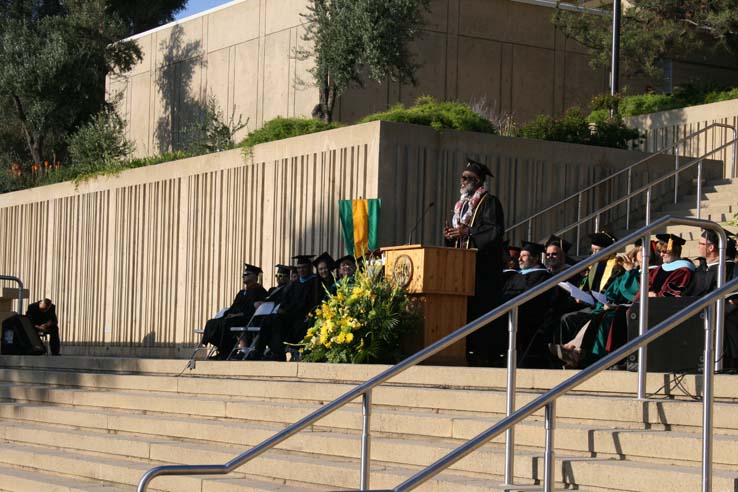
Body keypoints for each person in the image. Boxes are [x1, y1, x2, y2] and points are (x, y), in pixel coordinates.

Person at [443, 158, 505, 365]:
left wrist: (468, 231)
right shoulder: (462, 206)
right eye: (462, 178)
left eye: (466, 178)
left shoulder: (489, 202)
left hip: (482, 271)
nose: (461, 181)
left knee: (481, 312)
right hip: (462, 269)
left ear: (478, 181)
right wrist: (451, 235)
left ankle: (482, 355)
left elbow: (494, 231)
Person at [249, 255, 320, 361]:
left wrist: (286, 311)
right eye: (299, 268)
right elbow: (285, 299)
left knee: (278, 322)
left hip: (302, 316)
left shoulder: (315, 282)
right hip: (289, 315)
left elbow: (311, 302)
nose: (301, 270)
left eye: (304, 267)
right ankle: (259, 351)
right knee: (267, 320)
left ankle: (278, 353)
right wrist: (281, 309)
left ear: (310, 268)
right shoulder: (294, 284)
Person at [501, 241, 552, 367]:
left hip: (529, 319)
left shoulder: (542, 276)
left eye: (524, 256)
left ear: (535, 258)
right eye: (520, 256)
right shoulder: (516, 276)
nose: (519, 259)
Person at [200, 263, 267, 359]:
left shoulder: (259, 290)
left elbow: (256, 309)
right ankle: (224, 351)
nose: (243, 276)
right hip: (235, 317)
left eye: (247, 274)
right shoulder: (241, 292)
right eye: (243, 274)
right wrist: (229, 314)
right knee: (213, 323)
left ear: (255, 276)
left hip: (247, 318)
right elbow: (234, 306)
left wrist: (238, 315)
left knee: (229, 323)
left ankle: (239, 350)